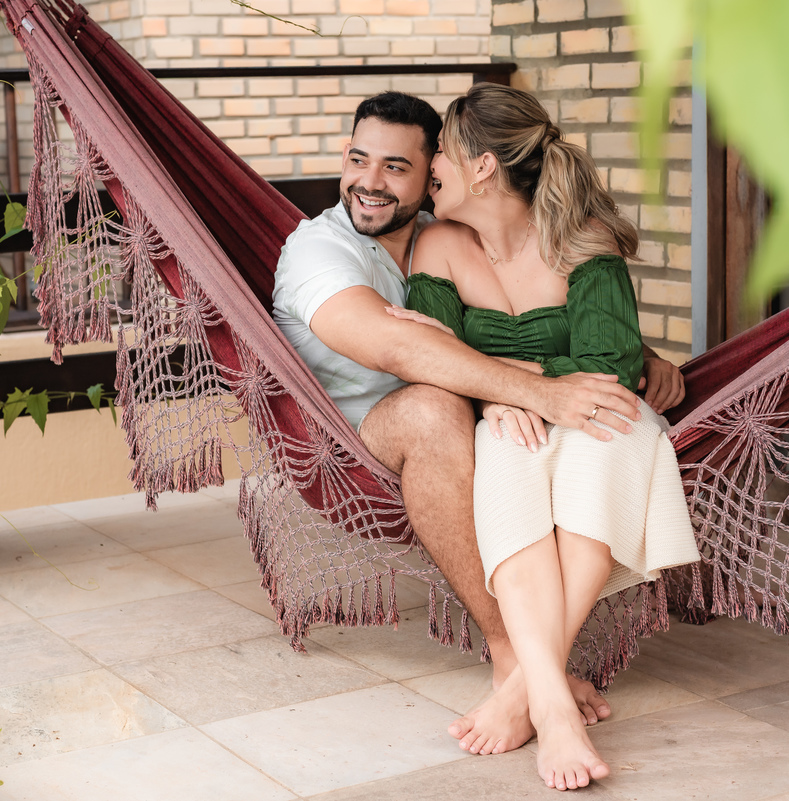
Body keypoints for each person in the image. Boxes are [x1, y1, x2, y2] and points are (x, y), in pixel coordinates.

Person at [271, 91, 688, 761]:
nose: (371, 181)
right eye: (358, 160)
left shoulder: (442, 234)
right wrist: (521, 388)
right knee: (471, 423)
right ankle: (520, 666)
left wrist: (619, 361)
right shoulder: (326, 251)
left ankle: (532, 688)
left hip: (516, 410)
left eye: (403, 166)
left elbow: (588, 351)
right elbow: (408, 354)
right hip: (374, 433)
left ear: (462, 170)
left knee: (591, 440)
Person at [387, 83, 700, 791]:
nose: (433, 161)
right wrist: (502, 391)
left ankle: (528, 691)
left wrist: (507, 373)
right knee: (511, 455)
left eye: (442, 149)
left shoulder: (579, 235)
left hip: (599, 409)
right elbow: (429, 353)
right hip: (508, 416)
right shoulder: (437, 243)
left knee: (607, 436)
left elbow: (610, 366)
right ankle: (554, 699)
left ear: (484, 166)